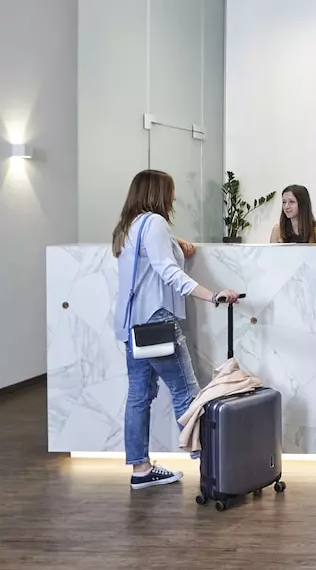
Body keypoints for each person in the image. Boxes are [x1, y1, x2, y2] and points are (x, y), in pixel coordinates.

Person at [112, 170, 240, 490]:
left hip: (133, 323)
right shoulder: (155, 223)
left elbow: (152, 262)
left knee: (138, 396)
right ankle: (213, 469)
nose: (172, 198)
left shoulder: (129, 226)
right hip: (157, 321)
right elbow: (167, 272)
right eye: (169, 191)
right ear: (158, 193)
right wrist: (213, 295)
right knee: (186, 392)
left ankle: (141, 469)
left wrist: (177, 245)